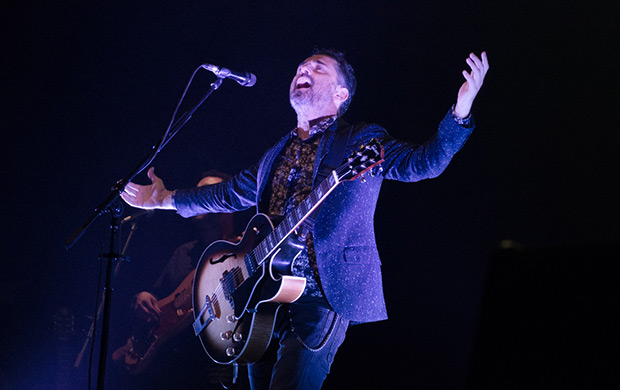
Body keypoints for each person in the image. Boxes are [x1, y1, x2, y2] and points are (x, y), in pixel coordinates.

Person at [121, 49, 490, 389]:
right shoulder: (274, 154)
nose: (304, 70)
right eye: (301, 67)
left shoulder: (360, 140)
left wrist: (459, 114)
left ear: (340, 94)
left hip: (321, 295)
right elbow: (227, 193)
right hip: (261, 297)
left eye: (318, 67)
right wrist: (166, 199)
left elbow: (422, 163)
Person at [115, 170, 250, 390]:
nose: (197, 195)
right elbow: (161, 297)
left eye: (207, 191)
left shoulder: (243, 252)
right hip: (177, 367)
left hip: (222, 364)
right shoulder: (183, 253)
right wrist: (142, 297)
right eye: (196, 190)